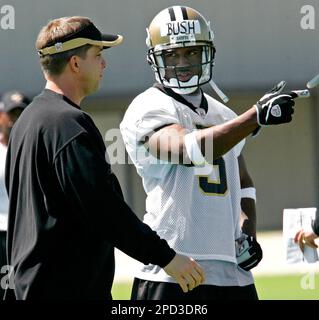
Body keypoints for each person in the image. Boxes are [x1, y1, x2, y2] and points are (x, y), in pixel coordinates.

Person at [4, 16, 205, 300]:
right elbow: (104, 209)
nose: (104, 64)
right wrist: (166, 257)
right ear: (75, 63)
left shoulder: (27, 122)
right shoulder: (68, 124)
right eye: (98, 55)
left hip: (32, 287)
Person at [120, 6, 306, 300]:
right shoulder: (147, 107)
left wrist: (248, 231)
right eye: (171, 55)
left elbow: (242, 181)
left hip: (233, 272)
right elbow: (191, 149)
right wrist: (255, 116)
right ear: (156, 59)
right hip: (174, 268)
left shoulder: (222, 113)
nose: (182, 63)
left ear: (207, 53)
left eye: (192, 53)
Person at [0, 91, 30, 299]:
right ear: (1, 116)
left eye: (21, 114)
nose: (15, 120)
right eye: (12, 114)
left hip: (25, 233)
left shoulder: (31, 147)